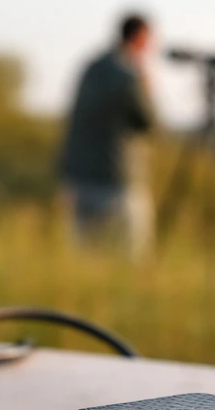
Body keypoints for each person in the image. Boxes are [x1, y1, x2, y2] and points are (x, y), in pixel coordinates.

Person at [58, 13, 157, 260]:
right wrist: (147, 85)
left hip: (79, 178)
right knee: (132, 259)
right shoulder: (128, 74)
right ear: (140, 38)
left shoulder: (91, 67)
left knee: (86, 260)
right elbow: (149, 123)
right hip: (117, 181)